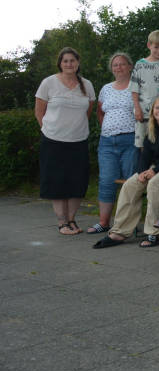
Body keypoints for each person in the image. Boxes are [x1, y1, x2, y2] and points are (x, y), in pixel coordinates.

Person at [93, 96, 159, 249]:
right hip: (156, 169)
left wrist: (154, 170)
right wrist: (142, 172)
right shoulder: (151, 129)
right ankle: (120, 231)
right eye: (157, 108)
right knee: (130, 184)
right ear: (152, 111)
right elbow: (145, 155)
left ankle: (154, 233)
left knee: (154, 183)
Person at [34, 47, 96, 235]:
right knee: (57, 182)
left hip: (78, 140)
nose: (69, 64)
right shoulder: (49, 83)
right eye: (65, 61)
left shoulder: (87, 84)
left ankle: (72, 220)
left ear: (78, 62)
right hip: (53, 141)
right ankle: (62, 222)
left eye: (72, 60)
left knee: (77, 182)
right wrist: (48, 129)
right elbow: (39, 111)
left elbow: (88, 111)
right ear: (60, 64)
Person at [91, 52, 135, 234]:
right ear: (112, 68)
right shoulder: (106, 88)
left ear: (130, 66)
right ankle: (104, 222)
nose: (119, 67)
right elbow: (100, 111)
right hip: (107, 142)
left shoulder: (137, 86)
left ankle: (127, 225)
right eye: (115, 65)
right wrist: (109, 127)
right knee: (106, 181)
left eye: (122, 64)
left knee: (130, 182)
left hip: (131, 139)